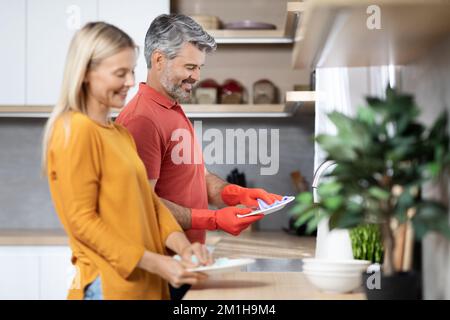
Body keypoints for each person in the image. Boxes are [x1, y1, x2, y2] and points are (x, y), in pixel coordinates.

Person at [41, 21, 212, 300]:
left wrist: (183, 248)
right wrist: (159, 262)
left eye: (131, 71)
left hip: (144, 285)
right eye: (120, 73)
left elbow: (149, 202)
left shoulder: (119, 134)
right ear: (86, 73)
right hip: (108, 287)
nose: (131, 82)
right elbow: (83, 223)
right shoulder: (73, 131)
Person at [116, 14, 282, 298]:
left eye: (199, 67)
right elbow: (143, 206)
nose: (197, 77)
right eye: (190, 66)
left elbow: (197, 177)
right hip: (161, 272)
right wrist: (214, 220)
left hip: (187, 262)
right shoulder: (141, 120)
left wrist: (235, 194)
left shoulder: (172, 110)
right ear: (159, 61)